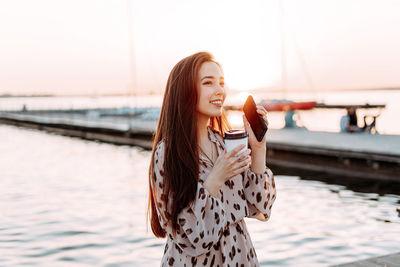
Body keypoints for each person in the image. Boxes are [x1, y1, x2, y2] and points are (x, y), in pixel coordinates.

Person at [147, 52, 276, 266]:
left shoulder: (223, 142)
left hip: (240, 257)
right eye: (208, 82)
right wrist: (216, 178)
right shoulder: (168, 153)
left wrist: (258, 148)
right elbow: (188, 237)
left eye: (222, 82)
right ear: (184, 91)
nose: (220, 91)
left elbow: (261, 207)